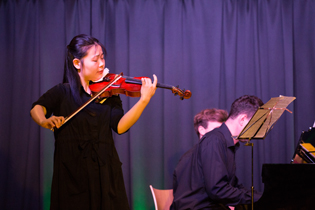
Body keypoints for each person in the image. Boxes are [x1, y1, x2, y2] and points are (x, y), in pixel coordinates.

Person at [30, 34, 157, 210]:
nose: (102, 64)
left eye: (102, 58)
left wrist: (143, 101)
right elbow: (37, 108)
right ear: (77, 64)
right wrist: (44, 121)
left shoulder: (109, 93)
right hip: (73, 176)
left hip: (106, 173)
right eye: (95, 60)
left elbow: (120, 126)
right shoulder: (62, 92)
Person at [172, 95, 263, 210]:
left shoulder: (224, 143)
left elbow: (233, 185)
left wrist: (262, 197)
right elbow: (217, 190)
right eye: (257, 125)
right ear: (243, 119)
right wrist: (259, 198)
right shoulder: (214, 140)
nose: (257, 131)